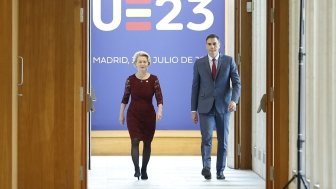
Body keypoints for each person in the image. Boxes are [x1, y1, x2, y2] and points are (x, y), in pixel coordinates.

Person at [191, 34, 241, 180]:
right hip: (205, 107)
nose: (212, 47)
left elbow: (237, 83)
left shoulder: (229, 61)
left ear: (219, 45)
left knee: (223, 140)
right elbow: (195, 87)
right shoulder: (199, 63)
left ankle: (220, 170)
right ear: (206, 45)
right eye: (209, 44)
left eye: (214, 44)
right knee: (206, 138)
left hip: (224, 107)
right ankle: (206, 168)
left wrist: (234, 100)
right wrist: (193, 109)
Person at [119, 51, 163, 180]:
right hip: (133, 115)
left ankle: (144, 170)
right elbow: (125, 98)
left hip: (149, 115)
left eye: (144, 61)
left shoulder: (154, 79)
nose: (142, 63)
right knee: (134, 141)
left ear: (148, 63)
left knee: (148, 143)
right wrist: (121, 114)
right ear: (135, 64)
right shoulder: (130, 79)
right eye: (140, 61)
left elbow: (160, 98)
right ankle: (136, 169)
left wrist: (159, 111)